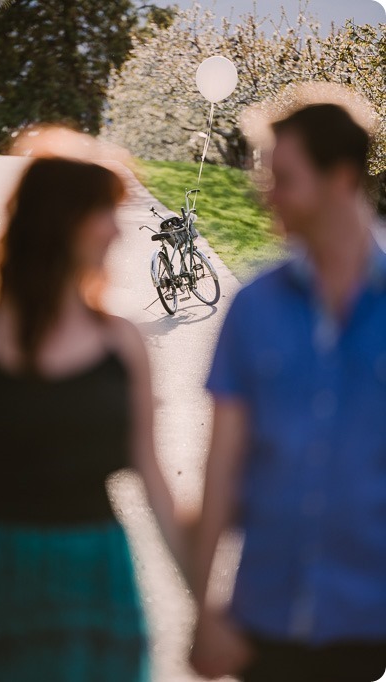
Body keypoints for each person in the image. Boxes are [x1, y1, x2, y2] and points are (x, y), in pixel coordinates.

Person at [0, 155, 185, 681]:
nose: (117, 230)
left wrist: (203, 600)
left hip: (94, 571)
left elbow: (154, 478)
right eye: (104, 213)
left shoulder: (125, 343)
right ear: (60, 222)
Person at [190, 91, 386, 682]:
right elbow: (219, 470)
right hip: (264, 622)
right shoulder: (253, 308)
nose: (265, 194)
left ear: (341, 179)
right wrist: (203, 611)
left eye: (285, 179)